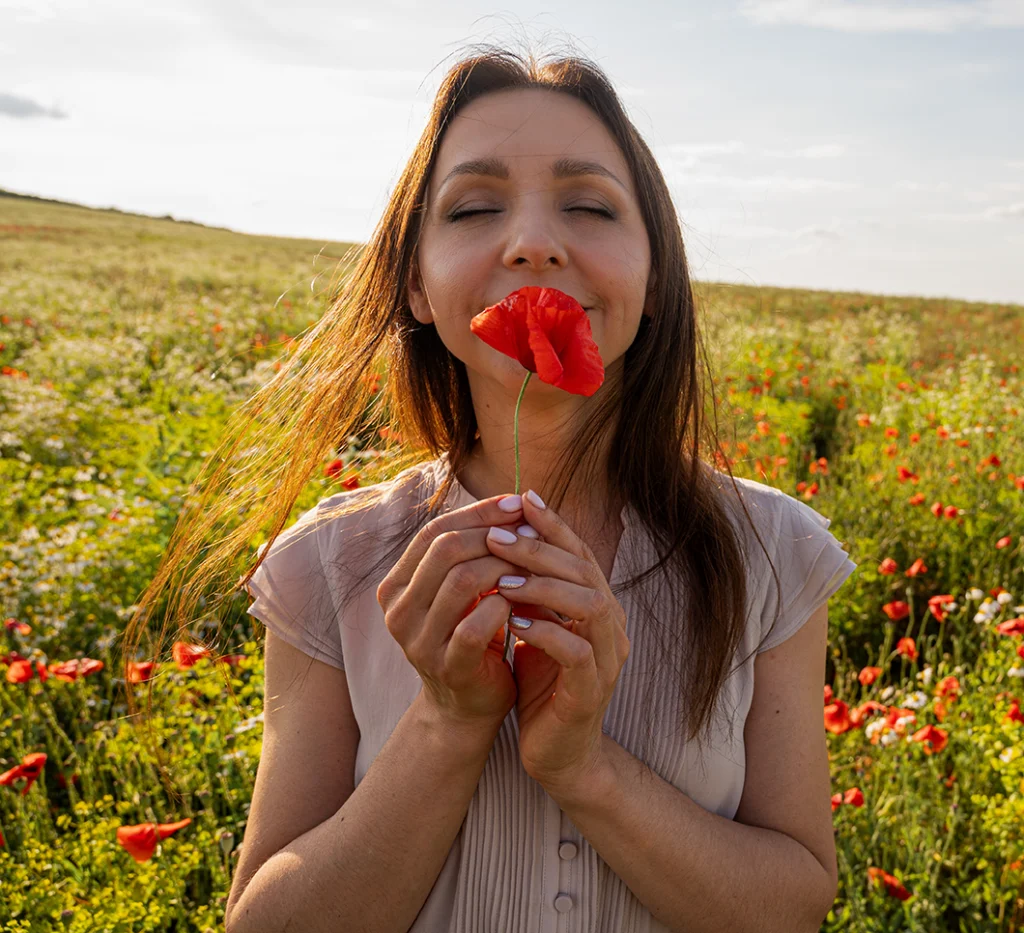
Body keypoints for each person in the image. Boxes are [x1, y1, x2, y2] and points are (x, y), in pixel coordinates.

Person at [129, 44, 857, 933]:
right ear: (417, 286)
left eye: (589, 205)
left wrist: (586, 767)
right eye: (474, 208)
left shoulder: (771, 554)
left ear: (656, 277)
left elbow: (793, 907)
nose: (534, 243)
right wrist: (446, 722)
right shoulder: (329, 561)